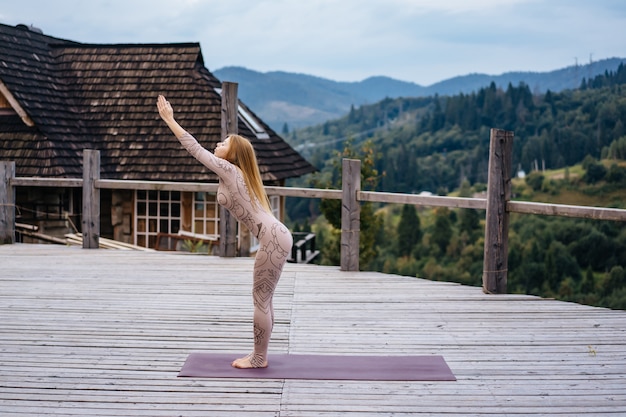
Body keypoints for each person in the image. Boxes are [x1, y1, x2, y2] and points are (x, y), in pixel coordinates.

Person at [157, 95, 293, 369]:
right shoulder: (235, 174)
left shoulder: (229, 170)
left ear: (231, 155)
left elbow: (195, 149)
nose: (217, 145)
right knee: (264, 299)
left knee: (261, 300)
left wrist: (170, 119)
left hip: (273, 238)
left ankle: (258, 357)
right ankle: (259, 354)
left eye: (223, 144)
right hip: (276, 236)